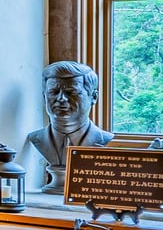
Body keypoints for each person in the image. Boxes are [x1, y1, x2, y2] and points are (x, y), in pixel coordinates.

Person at [24, 61, 112, 192]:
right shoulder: (35, 139)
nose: (61, 99)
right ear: (44, 97)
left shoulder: (106, 140)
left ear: (93, 97)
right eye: (54, 92)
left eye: (71, 92)